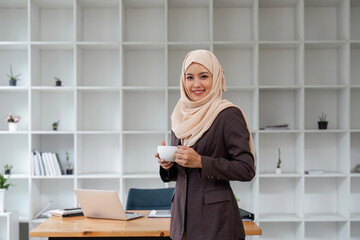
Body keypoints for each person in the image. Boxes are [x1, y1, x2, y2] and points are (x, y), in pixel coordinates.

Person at [156, 50, 256, 240]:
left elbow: (247, 169)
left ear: (216, 78)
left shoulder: (227, 114)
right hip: (181, 223)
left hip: (216, 224)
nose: (196, 84)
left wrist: (201, 162)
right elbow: (183, 174)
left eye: (204, 76)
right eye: (189, 77)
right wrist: (167, 166)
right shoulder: (180, 116)